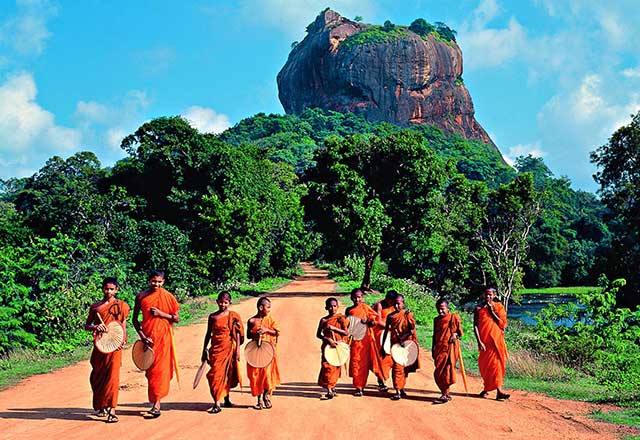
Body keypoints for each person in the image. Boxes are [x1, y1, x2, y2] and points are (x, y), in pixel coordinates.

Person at [132, 270, 180, 419]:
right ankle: (155, 401)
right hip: (148, 339)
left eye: (159, 282)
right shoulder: (141, 297)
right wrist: (143, 336)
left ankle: (156, 405)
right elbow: (134, 320)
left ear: (163, 282)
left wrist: (161, 314)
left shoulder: (168, 297)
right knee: (151, 372)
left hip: (164, 339)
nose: (156, 284)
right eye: (154, 281)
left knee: (160, 371)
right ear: (149, 281)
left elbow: (176, 318)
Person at [85, 277, 130, 423]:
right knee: (97, 376)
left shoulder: (121, 306)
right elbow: (87, 325)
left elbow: (122, 323)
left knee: (112, 377)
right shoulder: (96, 307)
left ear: (116, 290)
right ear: (102, 289)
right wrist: (96, 327)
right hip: (100, 345)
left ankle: (112, 410)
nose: (109, 291)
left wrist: (123, 339)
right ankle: (102, 405)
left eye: (112, 289)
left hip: (115, 345)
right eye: (106, 288)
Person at [201, 291, 244, 414]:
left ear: (230, 303)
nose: (223, 304)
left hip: (229, 349)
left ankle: (226, 399)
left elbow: (239, 335)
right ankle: (216, 402)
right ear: (217, 302)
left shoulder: (234, 316)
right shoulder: (212, 317)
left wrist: (238, 352)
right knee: (215, 376)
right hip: (216, 350)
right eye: (221, 302)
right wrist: (204, 349)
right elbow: (208, 334)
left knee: (227, 375)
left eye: (225, 302)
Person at [474, 287, 510, 400]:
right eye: (486, 294)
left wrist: (492, 312)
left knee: (496, 366)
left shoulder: (499, 307)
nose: (488, 297)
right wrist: (479, 341)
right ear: (483, 295)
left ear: (494, 295)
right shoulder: (478, 308)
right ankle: (486, 388)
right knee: (486, 367)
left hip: (496, 342)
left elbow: (502, 324)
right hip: (485, 342)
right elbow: (475, 326)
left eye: (490, 295)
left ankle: (499, 391)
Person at [345, 288, 382, 396]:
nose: (357, 299)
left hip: (367, 340)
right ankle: (359, 387)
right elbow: (347, 324)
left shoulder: (365, 308)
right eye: (355, 297)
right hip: (355, 341)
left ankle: (381, 381)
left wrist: (368, 321)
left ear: (362, 298)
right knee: (357, 363)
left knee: (370, 362)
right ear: (351, 298)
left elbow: (374, 322)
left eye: (359, 297)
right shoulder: (349, 310)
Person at [382, 294, 420, 400]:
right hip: (395, 346)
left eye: (399, 303)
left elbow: (412, 330)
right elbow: (386, 331)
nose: (397, 306)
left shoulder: (407, 315)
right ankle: (398, 390)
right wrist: (383, 345)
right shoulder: (390, 316)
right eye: (395, 304)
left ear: (403, 303)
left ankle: (401, 388)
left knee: (404, 368)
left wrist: (403, 338)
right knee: (397, 368)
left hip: (406, 345)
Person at [246, 296, 280, 410]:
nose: (269, 310)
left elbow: (276, 332)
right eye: (268, 307)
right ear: (261, 308)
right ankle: (259, 399)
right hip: (255, 352)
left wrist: (266, 330)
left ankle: (266, 396)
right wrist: (255, 335)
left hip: (268, 351)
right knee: (256, 376)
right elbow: (248, 336)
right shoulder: (251, 321)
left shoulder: (271, 319)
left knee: (266, 375)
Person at [316, 297, 349, 400]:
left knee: (335, 368)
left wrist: (334, 328)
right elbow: (318, 334)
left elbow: (346, 333)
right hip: (328, 347)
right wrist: (327, 339)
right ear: (326, 307)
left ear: (338, 307)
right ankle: (329, 390)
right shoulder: (324, 320)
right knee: (327, 367)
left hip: (338, 346)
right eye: (330, 306)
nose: (332, 308)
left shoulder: (341, 319)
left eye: (334, 306)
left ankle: (332, 387)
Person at [432, 298, 463, 403]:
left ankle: (445, 394)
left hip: (449, 349)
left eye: (442, 309)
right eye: (438, 309)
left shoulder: (453, 317)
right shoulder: (436, 320)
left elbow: (460, 332)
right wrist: (433, 348)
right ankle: (445, 393)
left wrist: (455, 334)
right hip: (439, 348)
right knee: (438, 373)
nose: (440, 311)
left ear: (448, 308)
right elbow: (434, 335)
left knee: (447, 371)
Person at [372, 290, 397, 391]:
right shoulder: (380, 305)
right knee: (382, 356)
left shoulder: (395, 305)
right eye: (389, 300)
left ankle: (385, 378)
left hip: (391, 334)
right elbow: (378, 321)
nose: (390, 303)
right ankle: (381, 380)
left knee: (391, 357)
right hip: (380, 334)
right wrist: (390, 328)